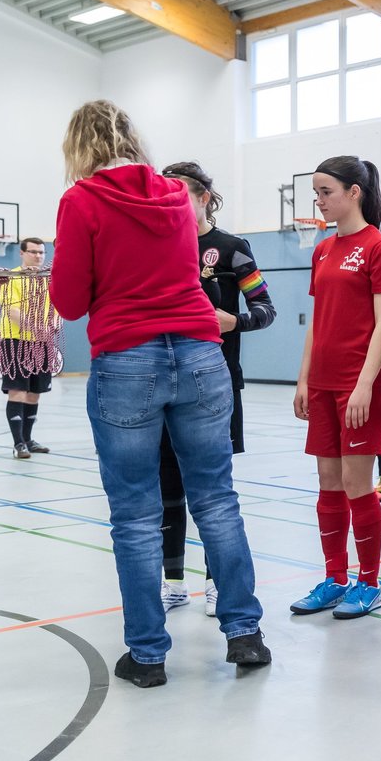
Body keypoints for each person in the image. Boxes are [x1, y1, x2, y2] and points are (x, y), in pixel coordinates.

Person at [50, 100, 269, 687]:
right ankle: (244, 631)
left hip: (127, 360)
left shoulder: (81, 200)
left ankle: (147, 656)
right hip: (200, 353)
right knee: (217, 500)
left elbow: (70, 301)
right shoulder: (176, 195)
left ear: (79, 146)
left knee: (135, 516)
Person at [158, 161, 276, 618]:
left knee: (210, 490)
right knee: (167, 488)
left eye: (181, 194)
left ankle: (215, 582)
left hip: (216, 384)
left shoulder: (230, 249)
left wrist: (236, 322)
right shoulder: (154, 246)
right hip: (163, 387)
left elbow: (265, 308)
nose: (171, 203)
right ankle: (171, 581)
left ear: (205, 197)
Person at [290, 156, 381, 619]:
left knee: (358, 484)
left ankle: (368, 584)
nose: (319, 200)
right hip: (323, 385)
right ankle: (334, 577)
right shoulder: (322, 250)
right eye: (316, 193)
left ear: (355, 192)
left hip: (360, 387)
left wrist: (364, 385)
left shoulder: (379, 249)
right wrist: (303, 378)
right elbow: (318, 320)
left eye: (326, 192)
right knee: (328, 483)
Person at [0, 237, 58, 459]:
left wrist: (52, 327)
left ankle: (28, 439)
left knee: (35, 393)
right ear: (22, 253)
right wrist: (37, 329)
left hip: (41, 343)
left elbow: (57, 309)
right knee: (18, 391)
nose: (38, 256)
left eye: (41, 252)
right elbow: (13, 312)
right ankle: (18, 444)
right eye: (33, 252)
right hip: (16, 341)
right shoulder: (11, 278)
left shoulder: (47, 280)